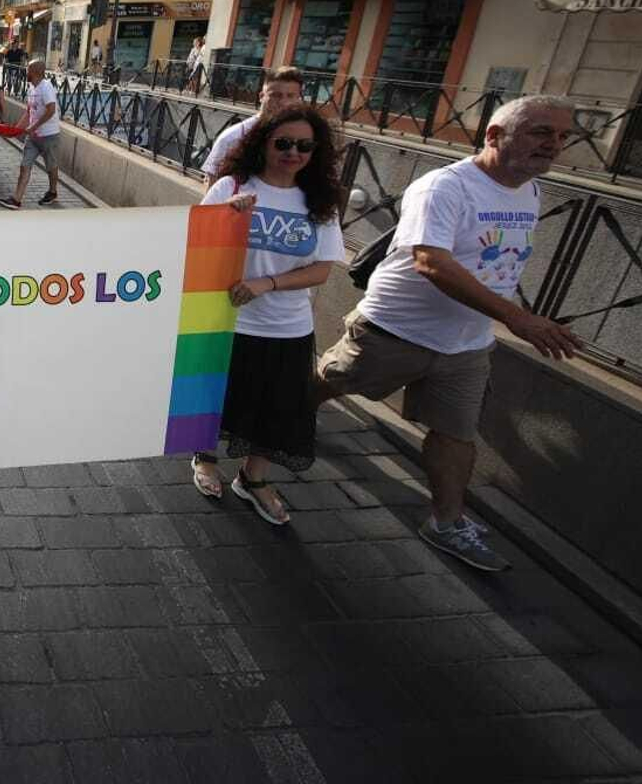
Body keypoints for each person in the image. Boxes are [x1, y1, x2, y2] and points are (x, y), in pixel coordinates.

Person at [314, 95, 582, 570]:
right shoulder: (444, 187)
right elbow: (430, 261)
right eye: (541, 132)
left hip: (467, 344)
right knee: (329, 382)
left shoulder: (531, 191)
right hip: (394, 328)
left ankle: (446, 521)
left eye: (563, 136)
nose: (554, 145)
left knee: (456, 433)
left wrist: (501, 316)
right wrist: (517, 318)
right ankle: (277, 420)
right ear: (494, 136)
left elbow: (493, 263)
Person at [190, 106, 347, 525]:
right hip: (226, 319)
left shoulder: (320, 203)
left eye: (304, 145)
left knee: (276, 406)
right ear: (262, 144)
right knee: (214, 395)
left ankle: (253, 479)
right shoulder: (231, 186)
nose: (292, 152)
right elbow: (194, 240)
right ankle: (205, 458)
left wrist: (267, 284)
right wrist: (228, 218)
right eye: (283, 143)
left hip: (288, 326)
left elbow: (323, 268)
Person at [202, 66, 304, 185]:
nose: (283, 102)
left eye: (290, 96)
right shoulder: (233, 138)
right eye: (276, 95)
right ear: (261, 97)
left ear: (298, 100)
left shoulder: (306, 140)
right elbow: (212, 191)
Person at [0, 59, 61, 209]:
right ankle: (16, 199)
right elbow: (29, 112)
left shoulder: (46, 88)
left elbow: (51, 110)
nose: (26, 71)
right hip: (33, 137)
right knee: (24, 166)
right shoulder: (31, 88)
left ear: (36, 72)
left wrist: (34, 126)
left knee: (51, 167)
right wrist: (16, 130)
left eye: (28, 69)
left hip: (49, 136)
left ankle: (52, 192)